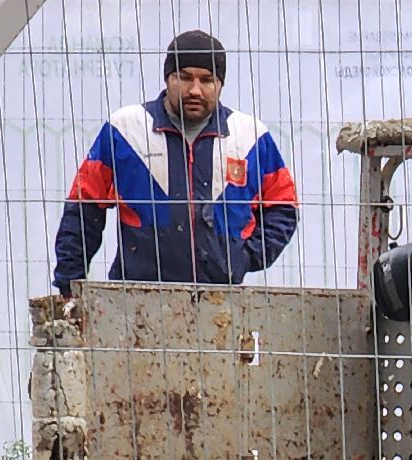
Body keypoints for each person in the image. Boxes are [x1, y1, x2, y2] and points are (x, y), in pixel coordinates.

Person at [52, 30, 298, 295]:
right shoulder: (126, 129)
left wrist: (246, 257)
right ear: (168, 78)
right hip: (136, 299)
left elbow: (283, 206)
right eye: (183, 77)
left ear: (220, 84)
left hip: (221, 303)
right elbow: (83, 208)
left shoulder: (249, 135)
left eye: (206, 80)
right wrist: (70, 285)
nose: (194, 90)